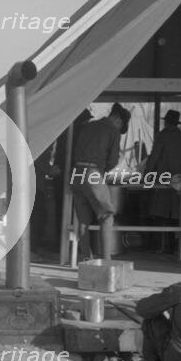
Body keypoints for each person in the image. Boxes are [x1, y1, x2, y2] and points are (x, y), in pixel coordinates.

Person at [70, 103, 131, 260]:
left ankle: (85, 257)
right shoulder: (112, 130)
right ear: (117, 118)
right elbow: (112, 160)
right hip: (93, 174)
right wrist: (102, 172)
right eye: (121, 125)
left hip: (76, 174)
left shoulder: (87, 126)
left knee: (83, 220)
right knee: (107, 216)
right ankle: (106, 260)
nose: (119, 128)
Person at [146, 110, 181, 253]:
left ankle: (157, 248)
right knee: (179, 216)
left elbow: (153, 158)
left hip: (163, 182)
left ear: (166, 122)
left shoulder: (162, 136)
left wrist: (146, 176)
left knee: (158, 215)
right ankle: (177, 248)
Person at [52, 109, 93, 239]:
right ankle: (69, 242)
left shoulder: (64, 131)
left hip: (61, 175)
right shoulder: (78, 134)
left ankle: (61, 241)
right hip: (70, 175)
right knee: (72, 210)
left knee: (62, 210)